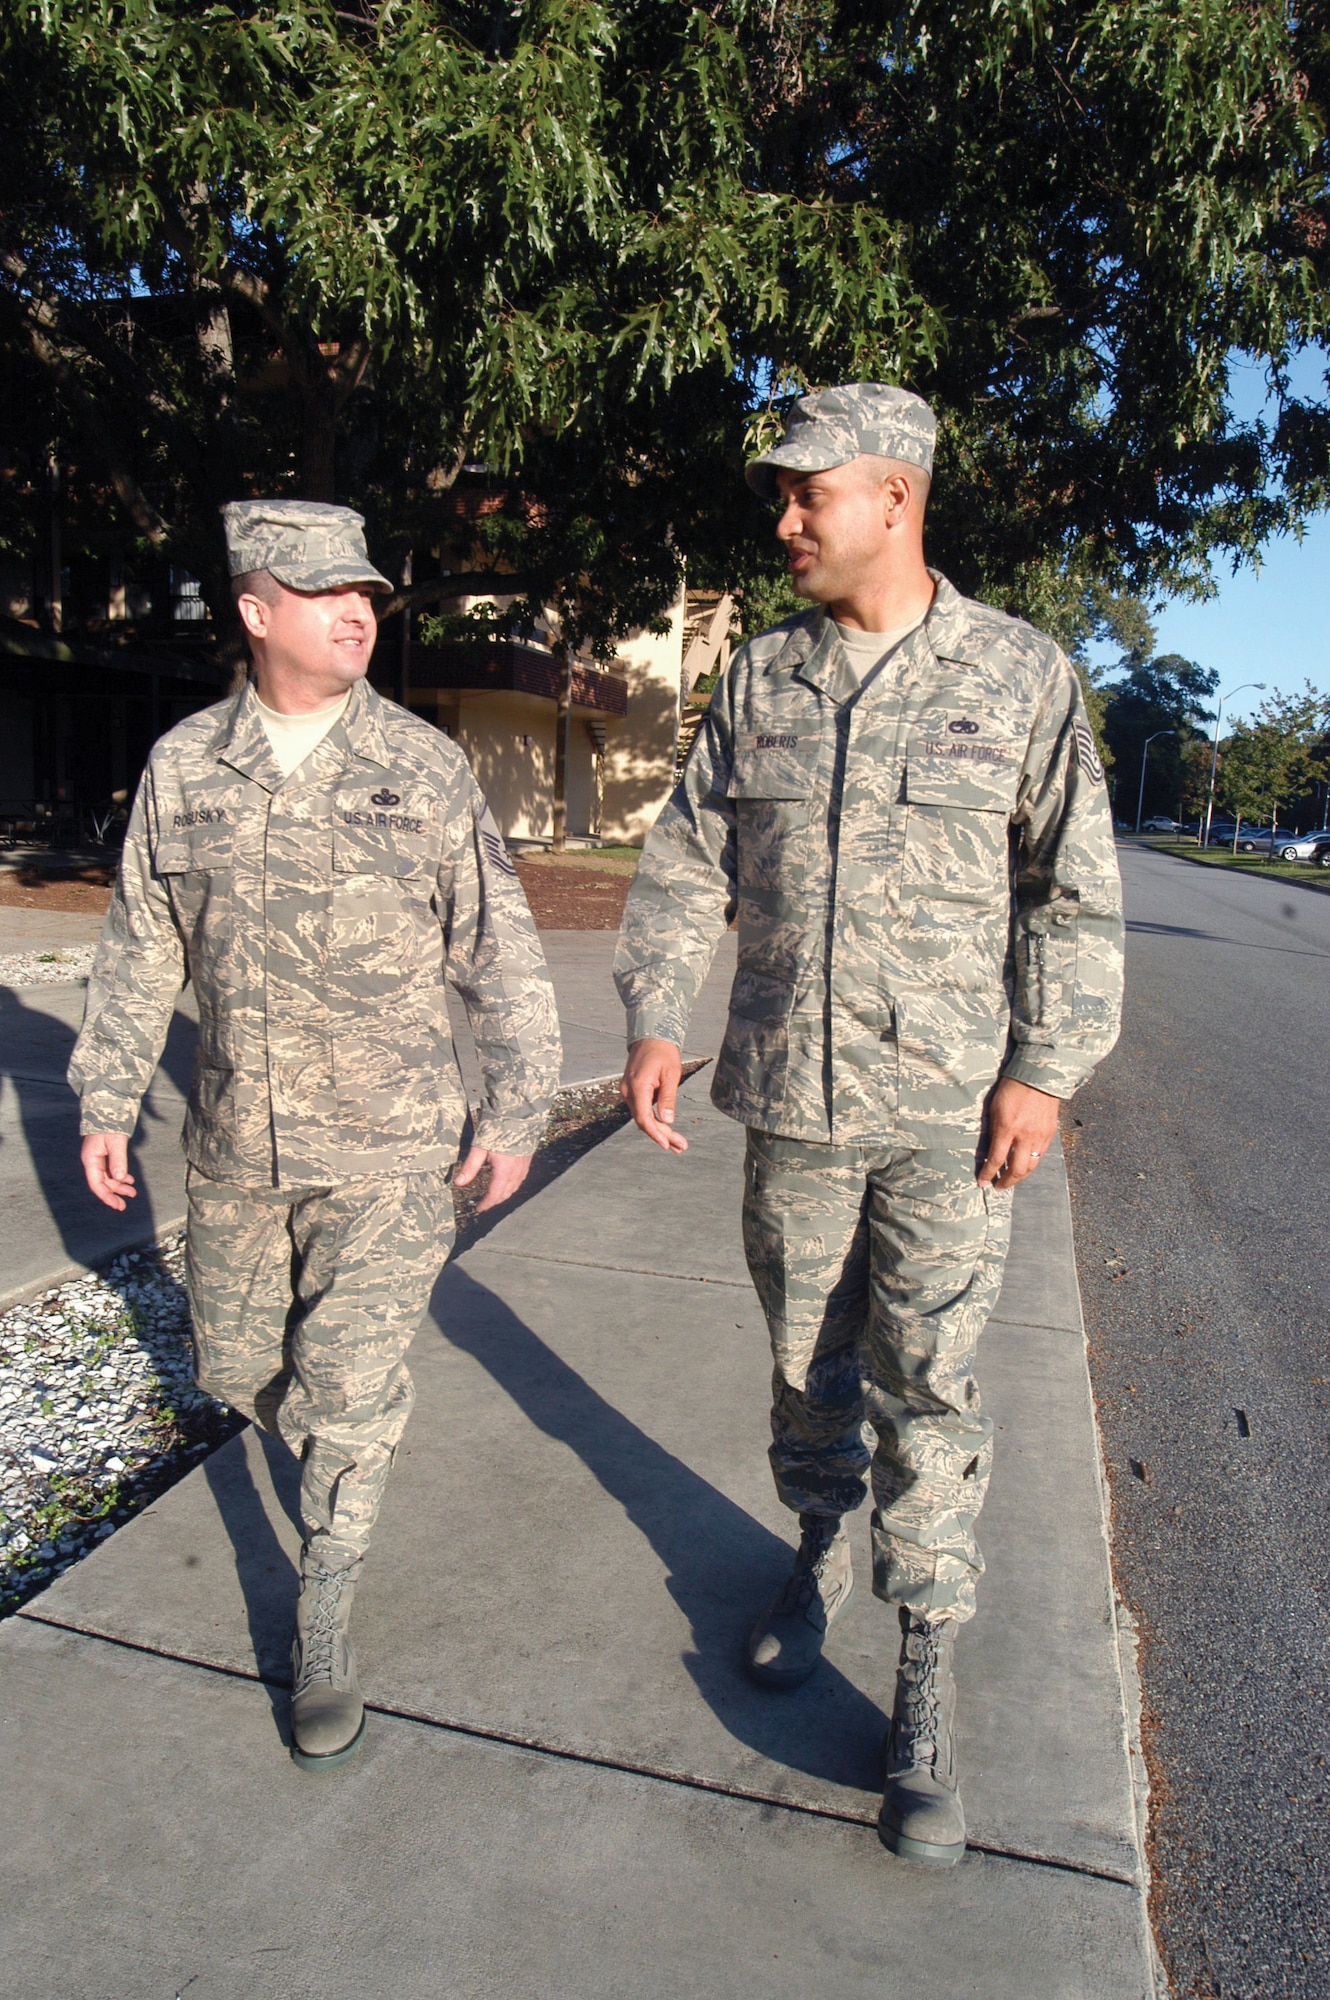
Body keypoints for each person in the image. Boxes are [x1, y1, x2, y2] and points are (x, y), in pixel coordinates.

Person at [615, 385, 1123, 1865]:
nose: (782, 523)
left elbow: (1073, 893)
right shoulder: (759, 677)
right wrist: (657, 1009)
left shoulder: (1019, 676)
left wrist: (1045, 1072)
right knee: (800, 1368)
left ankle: (923, 1673)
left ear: (891, 498)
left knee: (932, 1384)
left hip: (950, 1120)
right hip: (789, 1101)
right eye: (780, 497)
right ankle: (819, 1546)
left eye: (804, 496)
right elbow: (683, 860)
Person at [71, 500, 560, 1771]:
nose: (359, 611)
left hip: (393, 1153)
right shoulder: (184, 767)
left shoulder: (424, 764)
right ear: (254, 608)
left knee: (348, 1392)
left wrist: (514, 1109)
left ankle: (326, 1600)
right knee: (240, 1371)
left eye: (368, 595)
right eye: (326, 590)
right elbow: (138, 951)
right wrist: (107, 1098)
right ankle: (327, 1458)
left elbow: (496, 947)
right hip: (234, 1148)